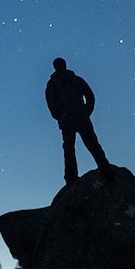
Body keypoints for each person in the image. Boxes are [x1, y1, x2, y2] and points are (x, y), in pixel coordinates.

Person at [44, 57, 115, 185]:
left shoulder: (74, 80)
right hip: (71, 119)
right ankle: (72, 177)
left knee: (88, 144)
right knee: (71, 148)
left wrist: (85, 112)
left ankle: (103, 167)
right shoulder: (54, 84)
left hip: (78, 117)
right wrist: (60, 116)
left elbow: (90, 96)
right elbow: (51, 102)